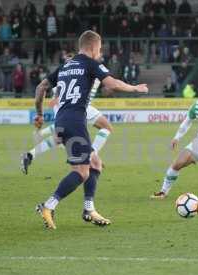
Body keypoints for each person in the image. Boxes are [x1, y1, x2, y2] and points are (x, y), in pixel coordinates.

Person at [33, 30, 148, 229]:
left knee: (95, 163)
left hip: (61, 119)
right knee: (82, 172)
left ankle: (89, 209)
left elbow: (40, 88)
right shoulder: (91, 63)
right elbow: (112, 84)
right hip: (76, 121)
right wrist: (135, 88)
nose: (100, 51)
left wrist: (40, 113)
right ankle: (48, 205)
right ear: (94, 47)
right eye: (100, 48)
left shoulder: (65, 66)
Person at [21, 54, 113, 174]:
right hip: (78, 105)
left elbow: (48, 89)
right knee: (106, 127)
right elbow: (109, 85)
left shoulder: (65, 70)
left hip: (63, 107)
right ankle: (91, 155)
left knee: (59, 138)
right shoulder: (91, 66)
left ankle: (29, 155)